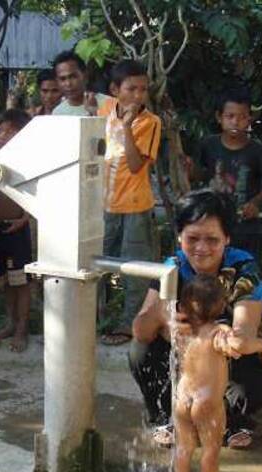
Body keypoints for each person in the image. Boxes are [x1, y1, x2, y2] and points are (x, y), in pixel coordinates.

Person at [132, 189, 262, 449]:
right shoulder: (171, 268)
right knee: (140, 351)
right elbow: (141, 331)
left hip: (231, 363)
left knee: (254, 373)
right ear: (179, 236)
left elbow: (242, 336)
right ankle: (166, 418)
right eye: (193, 238)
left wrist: (253, 343)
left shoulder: (244, 270)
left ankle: (233, 422)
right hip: (185, 363)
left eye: (212, 239)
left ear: (227, 238)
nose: (201, 248)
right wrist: (162, 316)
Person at [173, 274, 262, 472]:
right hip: (207, 400)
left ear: (184, 306)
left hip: (182, 398)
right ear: (221, 306)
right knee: (211, 446)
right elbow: (239, 345)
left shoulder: (184, 332)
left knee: (184, 445)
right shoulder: (218, 332)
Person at [97, 60, 162, 346]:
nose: (138, 95)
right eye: (131, 89)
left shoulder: (150, 122)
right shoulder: (103, 110)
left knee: (135, 270)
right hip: (103, 205)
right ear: (115, 90)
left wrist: (126, 128)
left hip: (135, 206)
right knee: (95, 265)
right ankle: (94, 319)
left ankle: (129, 325)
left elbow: (136, 166)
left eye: (143, 89)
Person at [186, 87, 262, 266]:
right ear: (219, 117)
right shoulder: (208, 145)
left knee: (242, 271)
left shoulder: (258, 150)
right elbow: (199, 175)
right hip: (213, 224)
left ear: (249, 119)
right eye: (230, 116)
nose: (236, 122)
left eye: (242, 117)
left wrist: (255, 203)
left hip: (246, 228)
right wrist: (189, 169)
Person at [0, 109, 33, 352]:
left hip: (18, 228)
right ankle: (11, 322)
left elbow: (37, 193)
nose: (3, 135)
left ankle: (22, 327)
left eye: (10, 131)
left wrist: (25, 218)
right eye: (0, 130)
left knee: (21, 281)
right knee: (4, 280)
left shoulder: (28, 161)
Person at [51, 50, 109, 116]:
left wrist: (94, 112)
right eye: (62, 79)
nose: (68, 83)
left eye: (73, 77)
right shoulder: (58, 113)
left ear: (85, 76)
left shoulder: (110, 104)